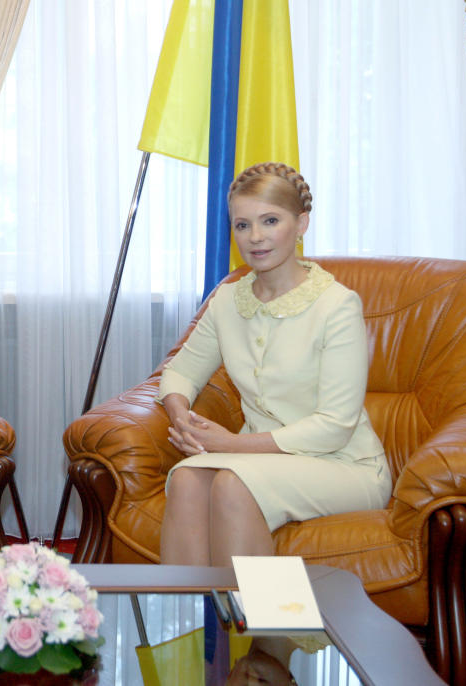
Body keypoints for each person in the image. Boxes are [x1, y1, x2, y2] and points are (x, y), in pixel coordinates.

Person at [158, 162, 392, 566]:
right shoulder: (229, 300)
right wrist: (182, 419)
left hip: (343, 465)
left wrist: (231, 445)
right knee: (186, 478)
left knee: (233, 483)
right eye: (243, 225)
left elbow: (334, 426)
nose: (256, 237)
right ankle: (194, 628)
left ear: (301, 224)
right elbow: (180, 372)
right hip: (256, 460)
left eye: (270, 220)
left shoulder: (337, 305)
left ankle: (268, 627)